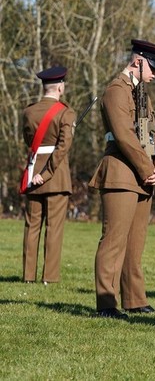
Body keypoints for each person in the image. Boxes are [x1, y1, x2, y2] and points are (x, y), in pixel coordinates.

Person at [90, 39, 155, 319]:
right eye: (154, 66)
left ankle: (135, 299)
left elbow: (154, 133)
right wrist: (148, 168)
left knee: (136, 242)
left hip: (143, 173)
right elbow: (124, 136)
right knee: (114, 240)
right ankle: (106, 303)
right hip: (122, 172)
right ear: (137, 61)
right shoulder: (116, 91)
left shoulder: (142, 95)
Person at [21, 66, 76, 285]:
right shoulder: (66, 112)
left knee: (32, 225)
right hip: (56, 176)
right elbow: (62, 148)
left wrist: (38, 171)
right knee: (54, 228)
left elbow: (29, 141)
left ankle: (28, 276)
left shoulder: (29, 111)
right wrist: (47, 173)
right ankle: (50, 277)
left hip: (33, 169)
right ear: (60, 87)